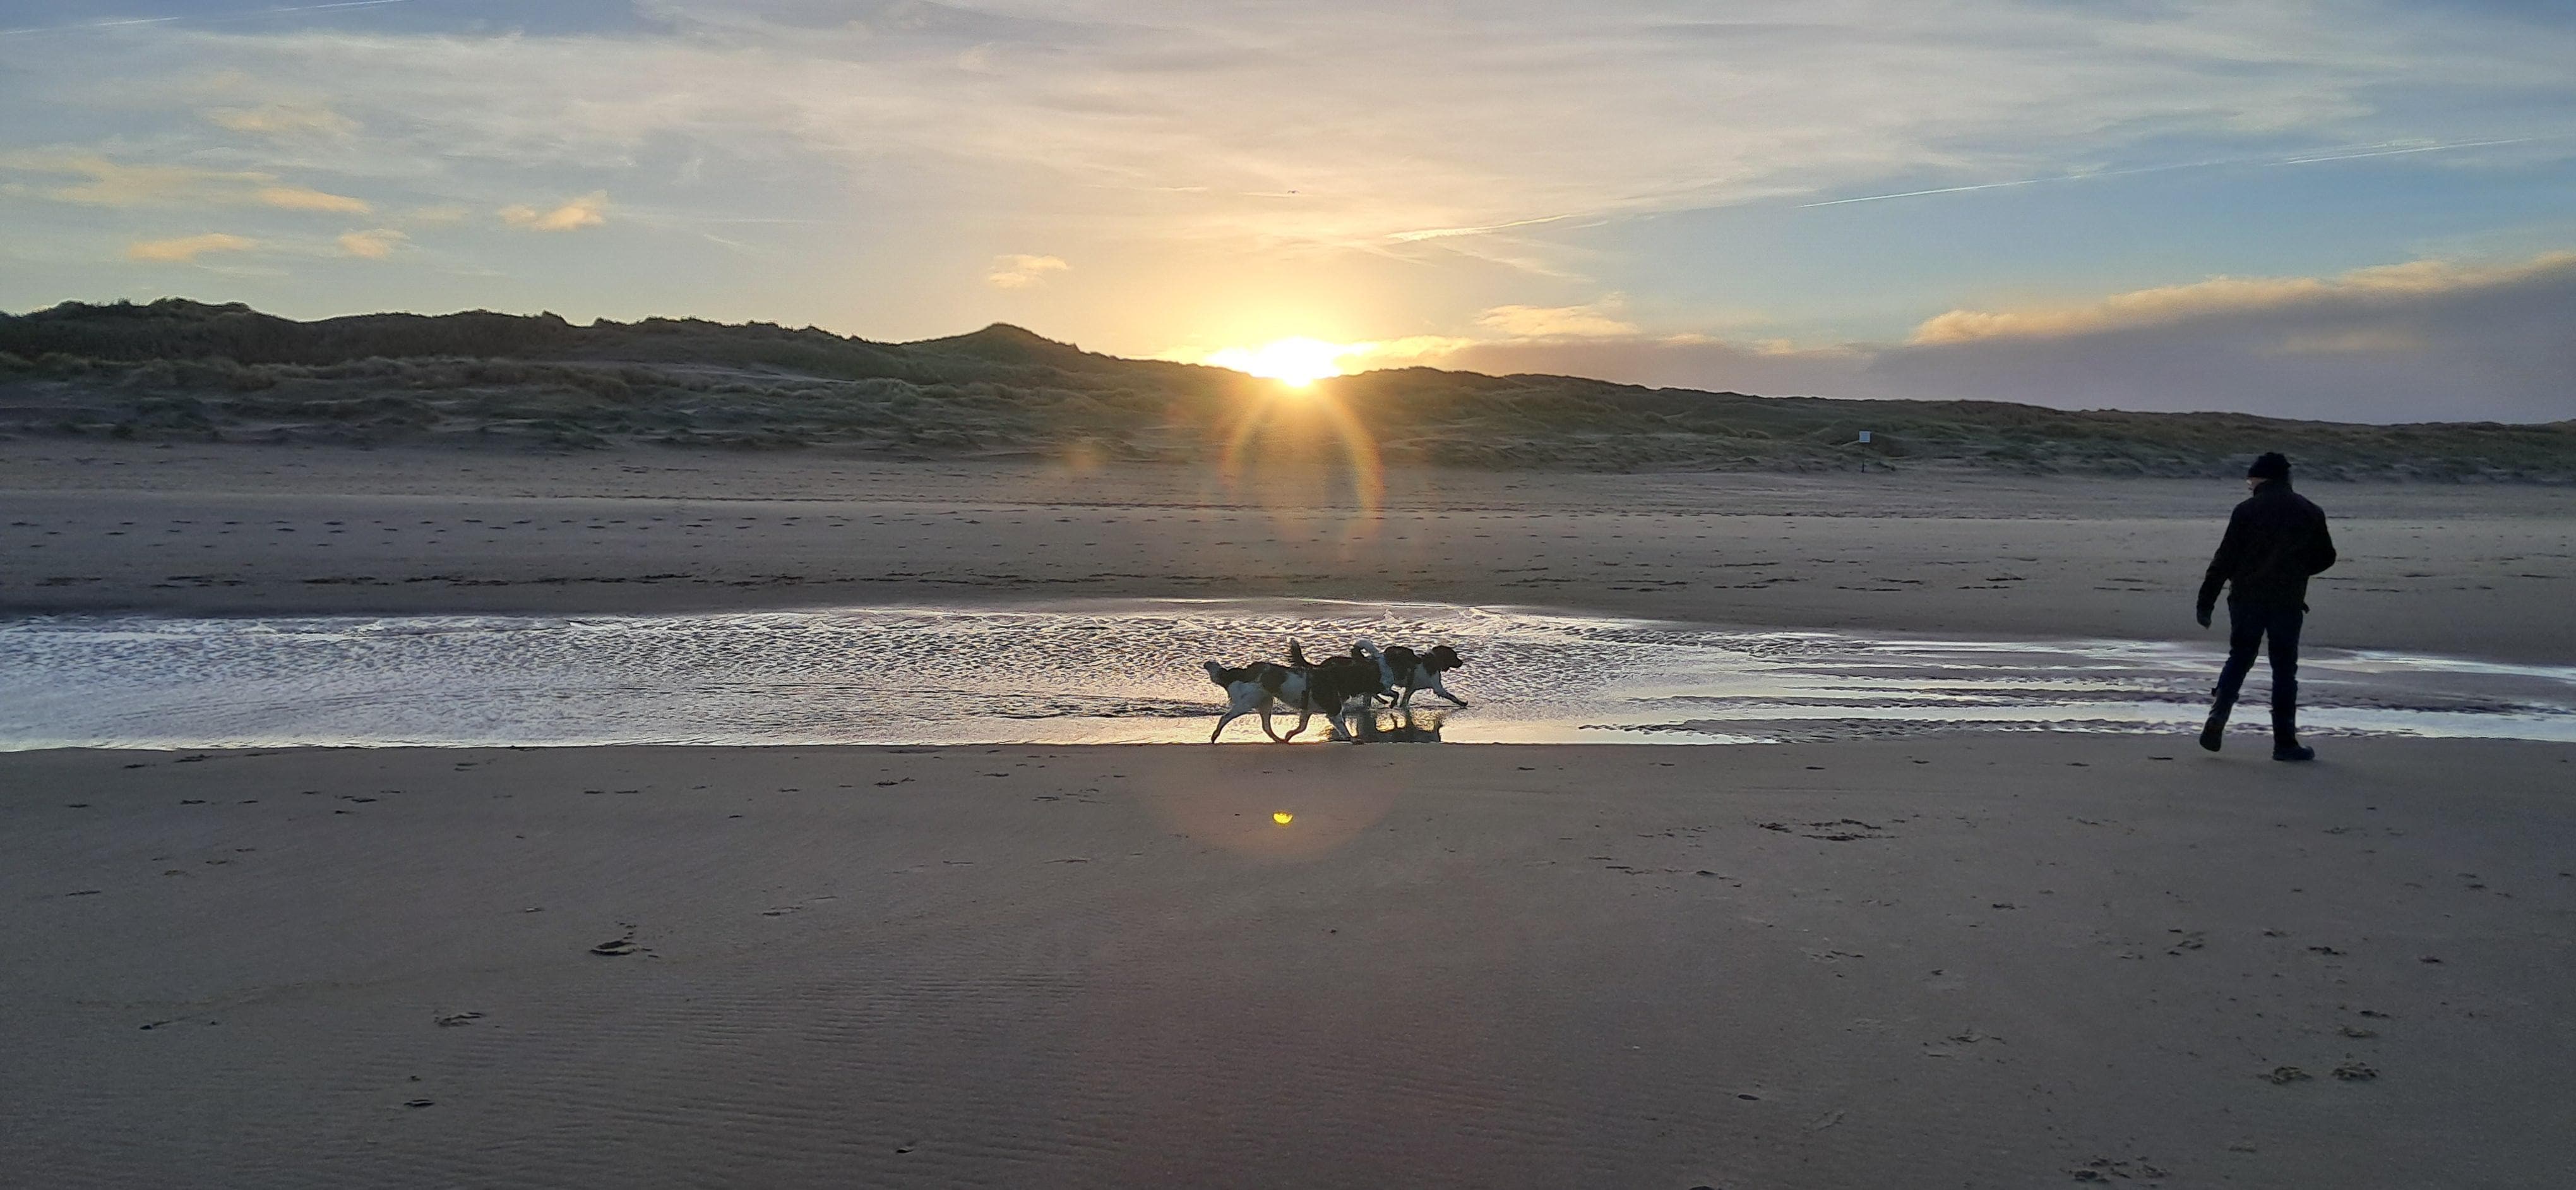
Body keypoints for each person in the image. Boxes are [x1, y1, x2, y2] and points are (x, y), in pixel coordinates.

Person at [2195, 452, 2337, 760]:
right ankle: (2285, 742)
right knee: (2284, 670)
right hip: (2287, 600)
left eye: (2251, 480)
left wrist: (2206, 602)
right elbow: (2326, 557)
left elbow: (2224, 559)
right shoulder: (2310, 510)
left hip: (2246, 598)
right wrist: (2297, 571)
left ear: (2263, 479)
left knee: (2240, 657)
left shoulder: (2246, 511)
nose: (2249, 485)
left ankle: (2218, 717)